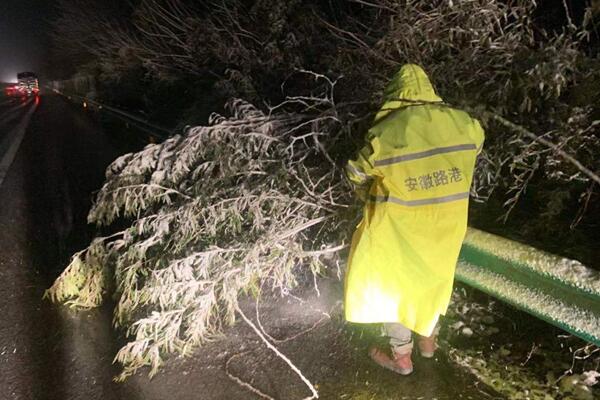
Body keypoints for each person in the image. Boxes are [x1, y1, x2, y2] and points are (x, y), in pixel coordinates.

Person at [344, 64, 485, 375]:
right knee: (430, 284)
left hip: (398, 227)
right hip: (446, 225)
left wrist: (366, 192)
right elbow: (476, 143)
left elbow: (355, 171)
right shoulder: (464, 124)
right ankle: (428, 344)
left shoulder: (386, 132)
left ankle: (402, 358)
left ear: (395, 94)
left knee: (393, 288)